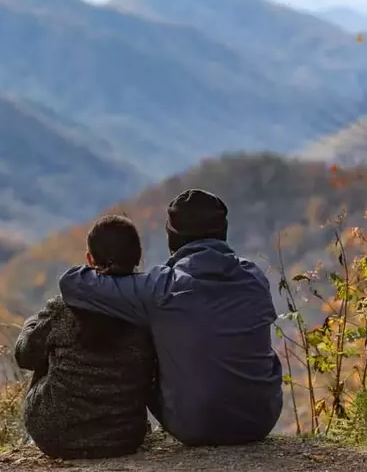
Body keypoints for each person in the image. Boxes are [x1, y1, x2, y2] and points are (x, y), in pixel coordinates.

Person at [59, 189, 283, 446]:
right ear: (223, 232)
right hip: (260, 420)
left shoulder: (161, 288)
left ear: (172, 239)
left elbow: (72, 283)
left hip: (193, 425)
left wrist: (118, 273)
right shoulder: (255, 277)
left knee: (151, 328)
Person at [15, 215, 156, 459]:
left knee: (46, 347)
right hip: (124, 437)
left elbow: (24, 356)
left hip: (55, 436)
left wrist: (32, 324)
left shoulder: (64, 308)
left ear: (89, 259)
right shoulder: (148, 309)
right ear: (138, 258)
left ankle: (36, 438)